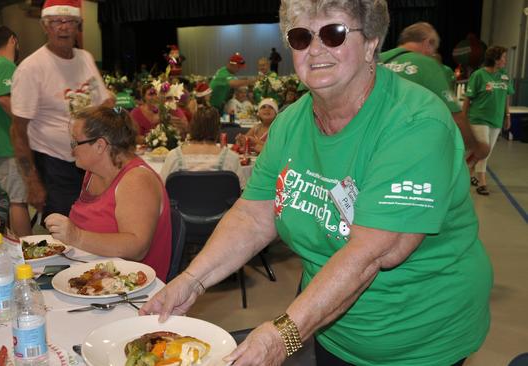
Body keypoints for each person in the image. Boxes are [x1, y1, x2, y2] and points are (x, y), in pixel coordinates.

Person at [141, 1, 492, 365]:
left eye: (333, 33)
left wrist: (283, 335)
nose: (316, 48)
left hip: (421, 340)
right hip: (332, 327)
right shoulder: (290, 123)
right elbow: (253, 216)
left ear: (372, 42)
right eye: (300, 37)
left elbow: (370, 254)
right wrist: (191, 280)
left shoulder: (413, 123)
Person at [11, 0, 114, 221]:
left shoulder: (85, 59)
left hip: (94, 162)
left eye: (70, 21)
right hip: (55, 166)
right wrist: (32, 182)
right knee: (63, 229)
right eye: (56, 21)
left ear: (78, 26)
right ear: (45, 26)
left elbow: (104, 104)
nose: (63, 27)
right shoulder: (31, 68)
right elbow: (18, 131)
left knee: (97, 223)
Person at [44, 106, 172, 281]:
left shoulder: (137, 180)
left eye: (75, 142)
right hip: (95, 275)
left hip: (131, 287)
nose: (72, 150)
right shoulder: (93, 172)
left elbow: (137, 248)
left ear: (100, 145)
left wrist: (76, 236)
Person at [380, 22, 489, 166]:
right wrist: (476, 147)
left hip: (371, 148)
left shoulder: (376, 60)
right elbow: (455, 117)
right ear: (428, 42)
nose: (433, 54)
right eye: (433, 49)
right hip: (407, 153)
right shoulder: (427, 64)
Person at [0, 25, 31, 237]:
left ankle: (13, 247)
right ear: (13, 40)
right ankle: (27, 253)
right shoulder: (5, 66)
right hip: (6, 145)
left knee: (5, 202)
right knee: (18, 202)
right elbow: (4, 99)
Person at [463, 46, 513, 196]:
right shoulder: (478, 75)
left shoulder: (504, 76)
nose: (505, 60)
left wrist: (507, 116)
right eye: (503, 57)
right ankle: (482, 183)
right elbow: (468, 98)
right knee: (483, 149)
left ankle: (467, 171)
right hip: (478, 118)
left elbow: (506, 97)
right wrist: (463, 119)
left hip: (496, 119)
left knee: (486, 151)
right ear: (495, 59)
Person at [160, 106, 242, 185]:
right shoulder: (231, 158)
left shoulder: (174, 156)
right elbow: (241, 192)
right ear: (218, 129)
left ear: (192, 126)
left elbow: (162, 188)